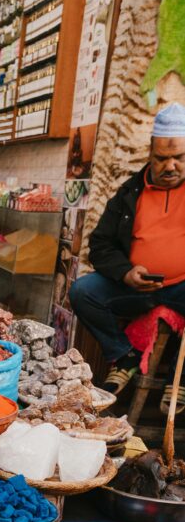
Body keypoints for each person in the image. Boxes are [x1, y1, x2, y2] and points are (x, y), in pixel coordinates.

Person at [70, 103, 185, 407]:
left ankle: (181, 375)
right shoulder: (130, 192)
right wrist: (126, 273)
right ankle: (125, 356)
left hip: (183, 288)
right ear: (150, 152)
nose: (170, 166)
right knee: (83, 291)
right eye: (162, 158)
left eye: (179, 158)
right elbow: (101, 244)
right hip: (137, 287)